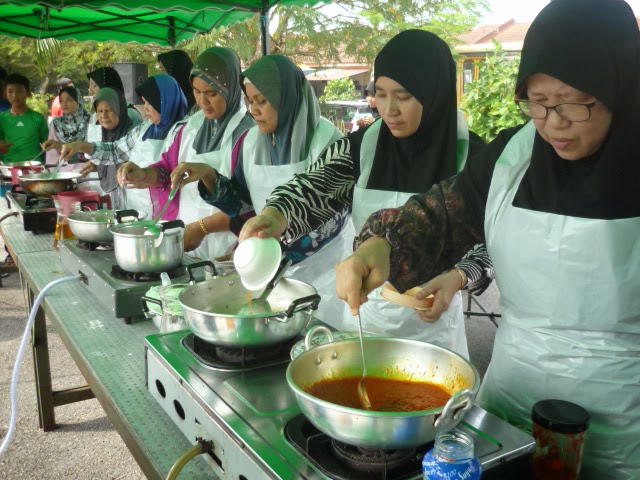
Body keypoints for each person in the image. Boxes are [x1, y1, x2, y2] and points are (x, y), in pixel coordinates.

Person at [335, 1, 640, 477]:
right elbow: (440, 211)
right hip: (510, 401)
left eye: (573, 102)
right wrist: (382, 244)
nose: (552, 122)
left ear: (619, 87)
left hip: (622, 424)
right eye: (536, 101)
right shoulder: (513, 156)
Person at [238, 30, 491, 356]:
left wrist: (458, 276)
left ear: (435, 94)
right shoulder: (364, 146)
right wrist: (277, 213)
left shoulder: (472, 156)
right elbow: (315, 186)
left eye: (403, 96)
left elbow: (493, 242)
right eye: (381, 94)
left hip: (432, 327)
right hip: (365, 314)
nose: (389, 111)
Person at [170, 54, 347, 292]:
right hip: (265, 269)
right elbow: (244, 206)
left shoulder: (325, 141)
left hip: (321, 276)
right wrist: (209, 176)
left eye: (261, 101)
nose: (253, 111)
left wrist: (266, 252)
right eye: (249, 101)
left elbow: (331, 220)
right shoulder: (251, 141)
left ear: (286, 98)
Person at [117, 47, 254, 259]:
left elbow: (250, 206)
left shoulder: (248, 134)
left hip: (230, 249)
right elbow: (167, 170)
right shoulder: (192, 126)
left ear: (232, 89)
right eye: (197, 92)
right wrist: (143, 174)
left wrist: (201, 228)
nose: (202, 102)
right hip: (189, 240)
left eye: (211, 93)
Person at [60, 74, 187, 216]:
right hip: (138, 207)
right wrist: (80, 145)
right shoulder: (145, 128)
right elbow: (115, 151)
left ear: (164, 101)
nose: (145, 109)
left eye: (149, 103)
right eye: (144, 102)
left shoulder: (183, 131)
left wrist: (145, 175)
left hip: (168, 210)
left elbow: (176, 174)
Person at [89, 87, 139, 209]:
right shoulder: (97, 130)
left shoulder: (133, 132)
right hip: (105, 193)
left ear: (119, 109)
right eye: (100, 111)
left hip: (130, 195)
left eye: (109, 110)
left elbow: (115, 151)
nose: (104, 116)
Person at [0, 74, 48, 164]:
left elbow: (48, 146)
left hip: (34, 170)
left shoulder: (38, 118)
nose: (14, 95)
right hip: (9, 170)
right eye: (10, 91)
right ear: (5, 94)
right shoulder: (1, 119)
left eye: (19, 91)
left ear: (28, 93)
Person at [43, 86, 90, 166]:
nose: (64, 104)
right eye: (61, 101)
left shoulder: (90, 120)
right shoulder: (56, 123)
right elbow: (52, 155)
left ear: (79, 101)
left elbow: (95, 148)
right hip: (64, 170)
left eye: (69, 100)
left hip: (88, 169)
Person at [86, 67, 142, 131]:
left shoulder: (130, 114)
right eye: (89, 87)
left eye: (94, 86)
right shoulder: (95, 116)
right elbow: (92, 140)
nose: (90, 91)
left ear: (108, 87)